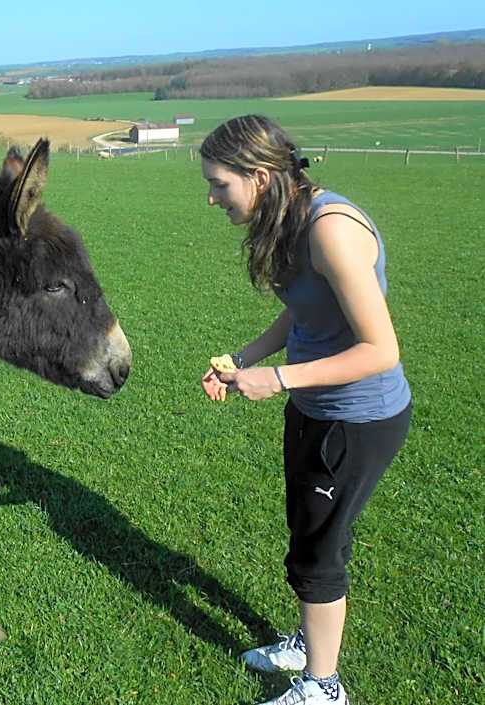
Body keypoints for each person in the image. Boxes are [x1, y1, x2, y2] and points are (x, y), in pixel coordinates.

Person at [198, 115, 411, 705]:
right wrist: (243, 361)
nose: (211, 197)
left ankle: (324, 686)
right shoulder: (289, 222)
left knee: (320, 550)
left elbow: (380, 349)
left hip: (357, 419)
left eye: (219, 184)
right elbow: (304, 313)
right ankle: (308, 643)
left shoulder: (331, 229)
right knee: (306, 533)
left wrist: (280, 378)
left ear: (260, 177)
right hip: (315, 409)